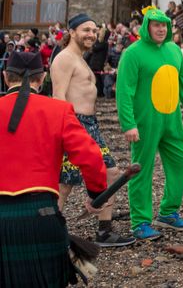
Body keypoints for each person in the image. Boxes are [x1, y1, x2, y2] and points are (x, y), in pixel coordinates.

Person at [0, 51, 107, 287]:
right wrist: (96, 194)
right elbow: (90, 156)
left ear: (6, 78)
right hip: (42, 217)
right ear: (42, 78)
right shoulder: (58, 111)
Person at [116, 7, 183, 240]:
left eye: (164, 25)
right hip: (145, 122)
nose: (161, 29)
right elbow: (124, 91)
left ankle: (168, 211)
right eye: (156, 25)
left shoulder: (175, 50)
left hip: (171, 121)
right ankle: (140, 221)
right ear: (146, 27)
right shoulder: (133, 53)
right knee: (142, 170)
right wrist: (128, 123)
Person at [51, 13, 135, 247]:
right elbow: (58, 97)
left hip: (90, 125)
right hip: (73, 123)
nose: (91, 34)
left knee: (110, 173)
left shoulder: (81, 58)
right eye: (86, 30)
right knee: (64, 183)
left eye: (94, 30)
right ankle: (49, 233)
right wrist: (67, 130)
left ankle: (104, 231)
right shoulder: (65, 59)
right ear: (72, 32)